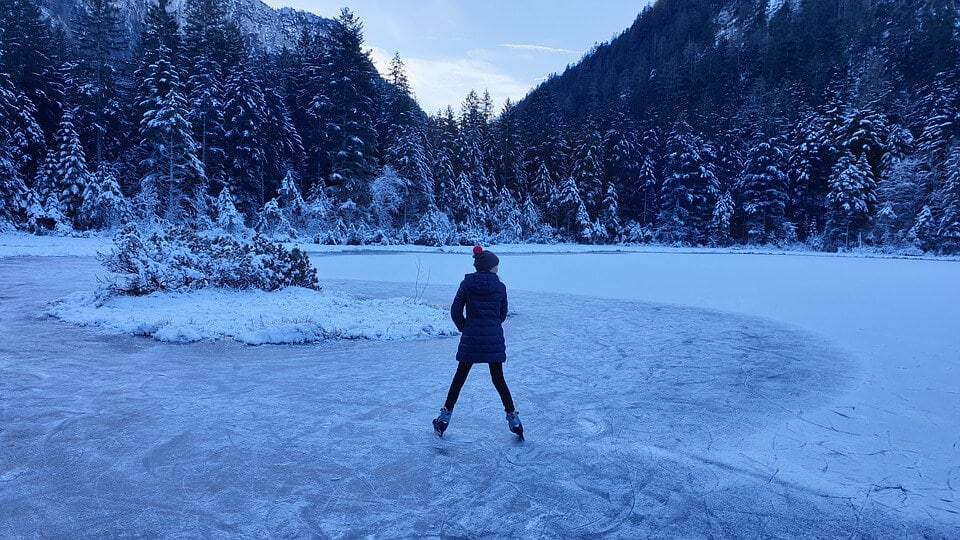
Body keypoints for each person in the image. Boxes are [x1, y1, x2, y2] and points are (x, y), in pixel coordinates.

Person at [433, 246, 523, 440]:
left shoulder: (467, 284)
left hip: (471, 337)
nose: (497, 269)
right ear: (489, 267)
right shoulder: (500, 287)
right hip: (493, 339)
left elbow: (455, 311)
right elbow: (502, 314)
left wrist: (465, 327)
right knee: (498, 379)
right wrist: (490, 326)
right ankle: (514, 419)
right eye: (496, 266)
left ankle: (444, 417)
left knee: (460, 377)